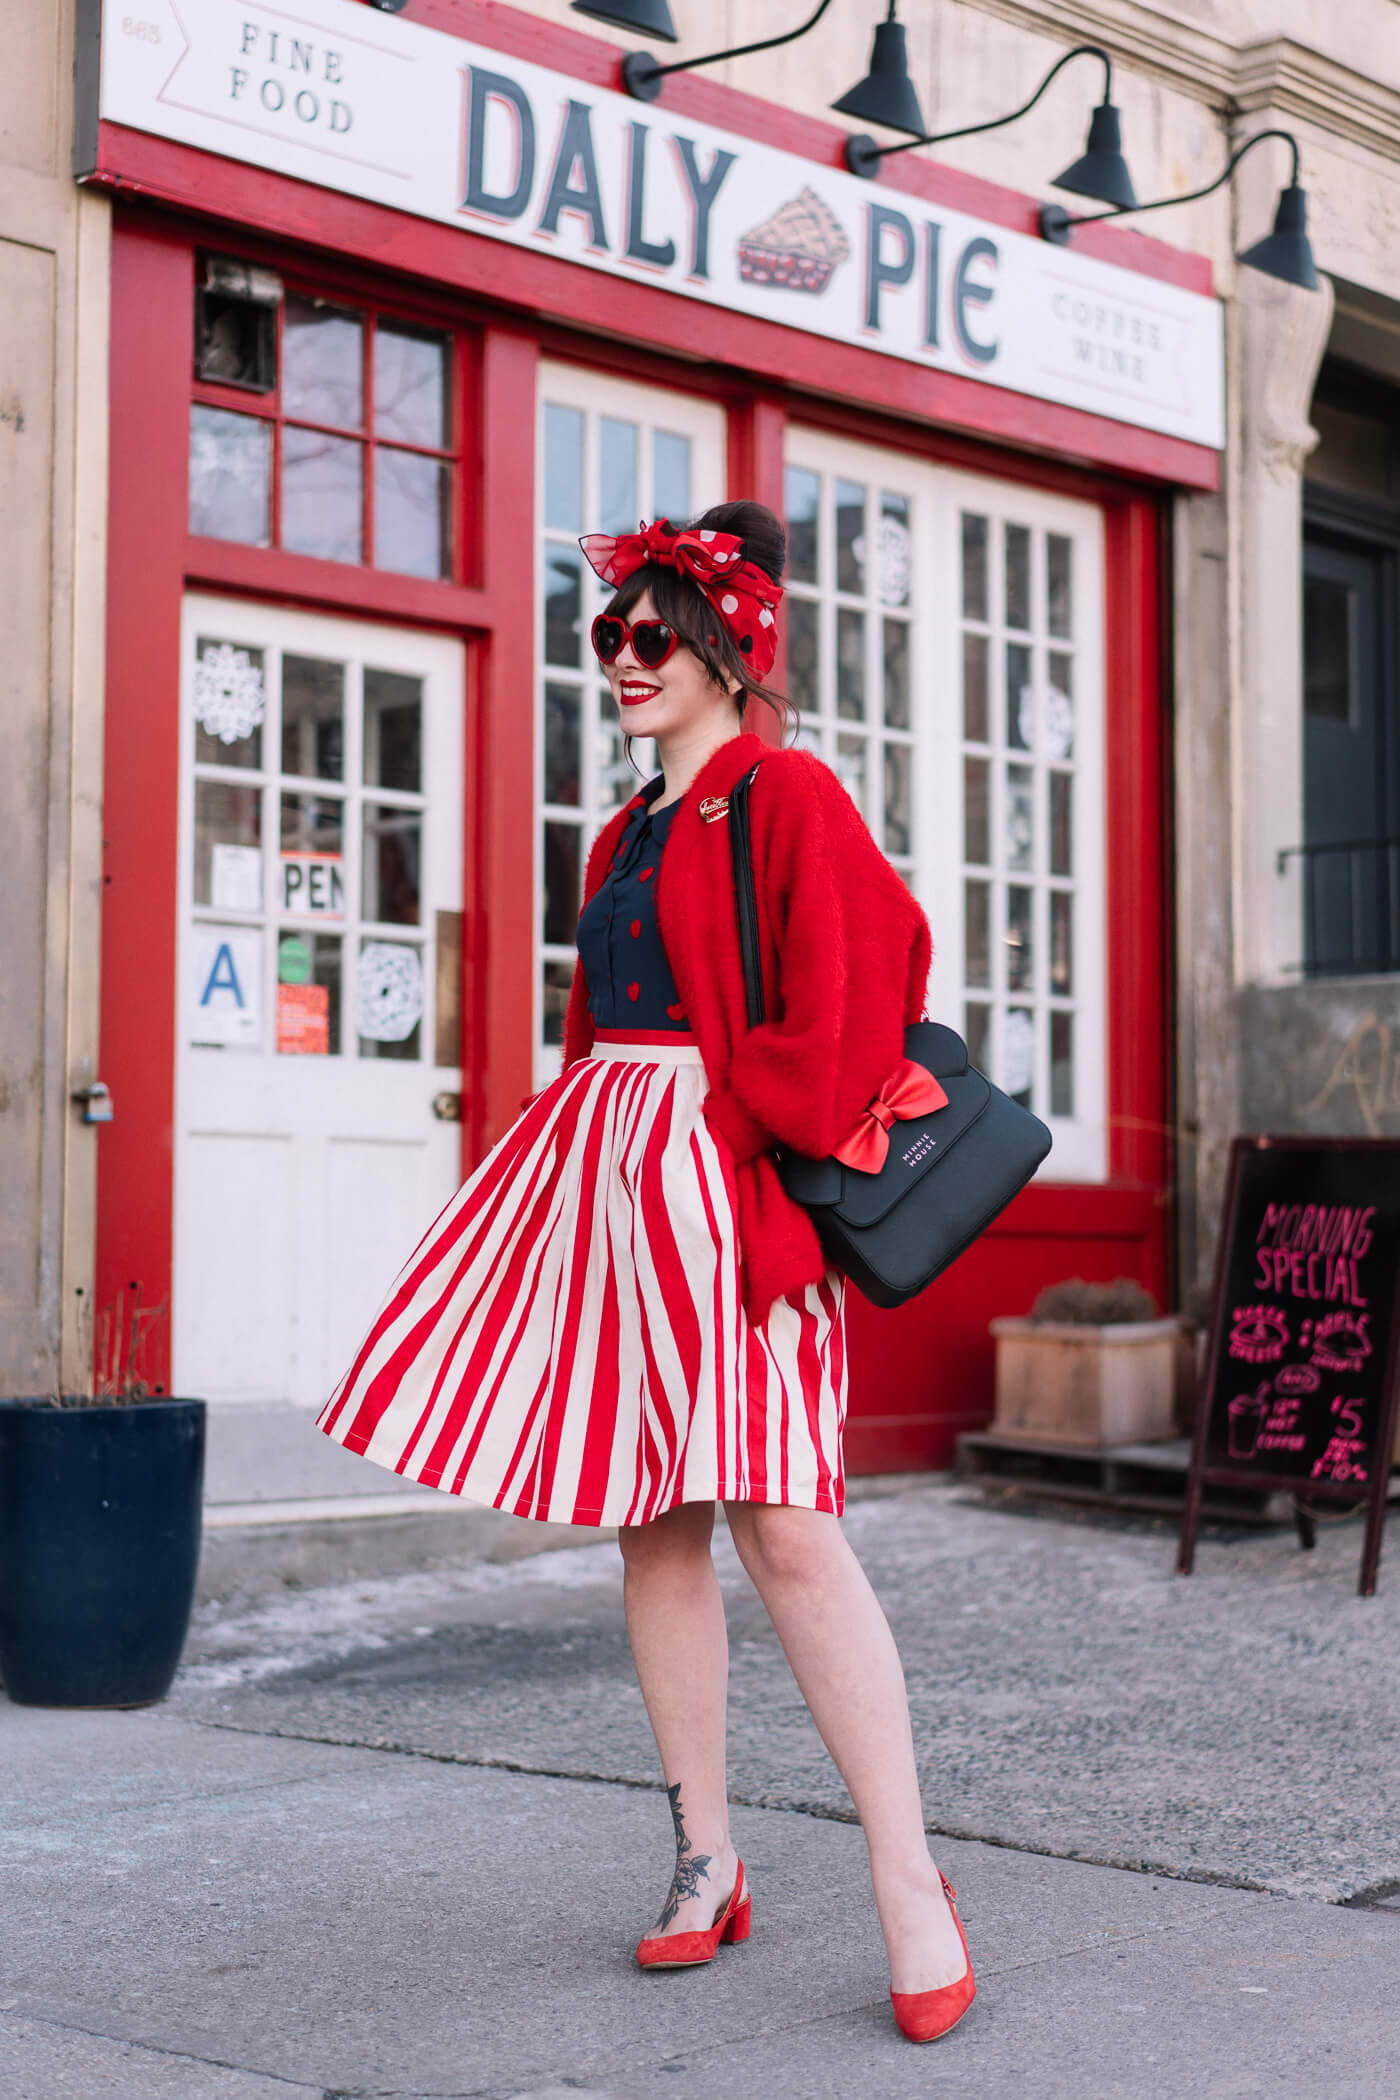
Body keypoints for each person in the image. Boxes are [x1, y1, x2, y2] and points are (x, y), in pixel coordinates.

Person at [317, 500, 974, 2043]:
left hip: (729, 1204)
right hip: (611, 1192)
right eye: (609, 633)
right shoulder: (622, 831)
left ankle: (910, 1879)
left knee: (789, 1529)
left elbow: (868, 988)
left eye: (649, 634)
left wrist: (726, 1125)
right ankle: (705, 1859)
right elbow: (593, 1035)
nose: (622, 657)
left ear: (728, 649)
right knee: (653, 1526)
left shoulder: (788, 795)